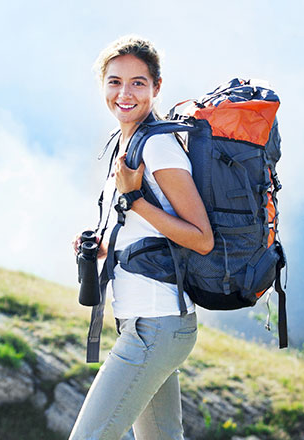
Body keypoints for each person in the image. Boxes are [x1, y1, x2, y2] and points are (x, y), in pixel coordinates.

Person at [69, 35, 214, 440]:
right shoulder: (127, 141)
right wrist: (101, 246)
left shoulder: (160, 147)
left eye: (137, 82)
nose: (125, 93)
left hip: (156, 325)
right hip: (146, 324)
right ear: (103, 86)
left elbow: (202, 238)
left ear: (157, 87)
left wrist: (133, 199)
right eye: (115, 81)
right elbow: (147, 228)